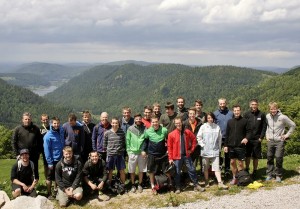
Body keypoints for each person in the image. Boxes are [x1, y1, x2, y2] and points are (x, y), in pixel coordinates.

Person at [168, 116, 205, 194]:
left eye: (179, 123)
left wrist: (191, 150)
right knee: (177, 172)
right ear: (174, 124)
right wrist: (170, 158)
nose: (178, 124)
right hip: (176, 157)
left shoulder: (187, 132)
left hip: (186, 155)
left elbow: (194, 140)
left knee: (192, 169)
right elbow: (169, 147)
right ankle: (178, 187)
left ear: (182, 122)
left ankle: (196, 185)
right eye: (176, 123)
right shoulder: (171, 134)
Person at [265, 102, 296, 182]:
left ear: (277, 108)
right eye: (271, 109)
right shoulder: (267, 116)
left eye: (274, 109)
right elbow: (266, 127)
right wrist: (267, 135)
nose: (273, 110)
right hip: (270, 141)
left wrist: (286, 135)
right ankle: (270, 174)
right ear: (269, 109)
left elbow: (293, 125)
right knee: (269, 157)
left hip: (279, 141)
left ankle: (278, 175)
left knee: (278, 157)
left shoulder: (282, 117)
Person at [197, 112, 228, 189]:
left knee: (216, 167)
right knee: (206, 167)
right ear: (206, 119)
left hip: (215, 150)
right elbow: (199, 137)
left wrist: (219, 148)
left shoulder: (217, 127)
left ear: (213, 118)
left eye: (211, 117)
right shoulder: (203, 127)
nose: (210, 119)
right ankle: (206, 181)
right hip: (205, 151)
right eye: (208, 118)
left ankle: (220, 182)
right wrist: (202, 145)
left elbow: (219, 139)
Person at [141, 116, 171, 195]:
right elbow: (145, 141)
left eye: (156, 122)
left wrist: (169, 150)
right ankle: (153, 186)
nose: (155, 123)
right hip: (152, 154)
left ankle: (170, 184)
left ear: (159, 122)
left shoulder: (164, 130)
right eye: (153, 122)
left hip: (162, 154)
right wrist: (143, 150)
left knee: (166, 170)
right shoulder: (148, 131)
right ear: (151, 123)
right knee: (151, 171)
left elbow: (168, 140)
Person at [224, 105, 251, 185]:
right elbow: (227, 134)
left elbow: (249, 132)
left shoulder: (245, 121)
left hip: (240, 146)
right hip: (231, 146)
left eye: (238, 110)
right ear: (233, 111)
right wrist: (225, 145)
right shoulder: (230, 121)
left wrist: (246, 138)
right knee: (232, 162)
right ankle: (234, 178)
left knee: (240, 163)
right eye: (235, 111)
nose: (236, 112)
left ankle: (241, 178)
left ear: (240, 111)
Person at [12, 112, 43, 178]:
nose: (27, 121)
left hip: (33, 155)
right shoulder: (18, 129)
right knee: (21, 171)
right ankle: (21, 186)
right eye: (26, 119)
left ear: (31, 119)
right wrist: (17, 154)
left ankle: (33, 186)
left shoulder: (36, 129)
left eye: (29, 119)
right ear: (22, 120)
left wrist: (38, 152)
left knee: (34, 171)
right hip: (22, 155)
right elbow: (14, 142)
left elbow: (40, 141)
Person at [243, 99, 267, 178]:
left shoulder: (261, 114)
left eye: (255, 104)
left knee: (256, 156)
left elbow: (264, 126)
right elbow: (244, 126)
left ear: (257, 105)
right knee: (247, 155)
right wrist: (245, 137)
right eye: (252, 104)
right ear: (250, 105)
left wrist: (261, 137)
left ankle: (255, 170)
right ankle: (246, 169)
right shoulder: (246, 114)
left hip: (257, 139)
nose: (254, 106)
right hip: (248, 139)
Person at [43, 116, 65, 199]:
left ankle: (56, 190)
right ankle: (49, 193)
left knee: (58, 176)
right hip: (52, 160)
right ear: (51, 123)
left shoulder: (61, 131)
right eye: (54, 123)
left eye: (58, 123)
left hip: (60, 158)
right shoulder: (48, 136)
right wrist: (49, 162)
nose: (56, 125)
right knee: (49, 178)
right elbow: (46, 150)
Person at [126, 113, 147, 193]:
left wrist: (144, 150)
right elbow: (127, 141)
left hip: (141, 153)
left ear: (141, 119)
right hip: (132, 152)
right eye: (136, 119)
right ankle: (133, 184)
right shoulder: (130, 129)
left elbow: (146, 140)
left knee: (141, 170)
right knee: (132, 170)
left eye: (139, 119)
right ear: (134, 120)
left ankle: (140, 184)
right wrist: (129, 152)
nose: (138, 120)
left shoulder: (145, 128)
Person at [103, 117, 126, 189]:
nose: (114, 124)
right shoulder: (107, 133)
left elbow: (123, 143)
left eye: (116, 123)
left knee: (122, 170)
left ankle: (123, 185)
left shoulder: (122, 132)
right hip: (110, 155)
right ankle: (109, 186)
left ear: (118, 123)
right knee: (110, 171)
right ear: (111, 123)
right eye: (113, 123)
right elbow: (105, 144)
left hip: (119, 155)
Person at [213, 98, 233, 176]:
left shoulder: (231, 113)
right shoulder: (215, 114)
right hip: (218, 137)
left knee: (227, 154)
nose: (222, 105)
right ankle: (218, 168)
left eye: (223, 103)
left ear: (226, 103)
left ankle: (227, 169)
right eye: (220, 103)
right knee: (217, 154)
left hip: (228, 137)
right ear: (218, 104)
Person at [183, 107, 202, 172]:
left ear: (196, 114)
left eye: (193, 113)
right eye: (190, 114)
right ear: (188, 114)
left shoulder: (200, 123)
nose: (192, 115)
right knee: (188, 163)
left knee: (194, 163)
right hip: (187, 147)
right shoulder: (184, 124)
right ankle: (187, 176)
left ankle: (196, 175)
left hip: (197, 146)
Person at [40, 114, 50, 179]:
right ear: (41, 120)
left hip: (53, 150)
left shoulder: (52, 127)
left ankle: (55, 185)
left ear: (48, 119)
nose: (45, 121)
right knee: (46, 166)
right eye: (44, 120)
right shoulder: (39, 129)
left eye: (46, 119)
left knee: (54, 166)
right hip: (44, 150)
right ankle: (47, 180)